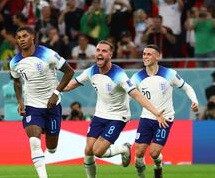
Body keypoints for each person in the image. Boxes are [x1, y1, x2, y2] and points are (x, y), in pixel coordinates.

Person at [63, 40, 167, 178]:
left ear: (110, 55)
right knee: (88, 150)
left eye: (104, 51)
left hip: (118, 117)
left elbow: (135, 94)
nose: (100, 53)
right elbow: (71, 84)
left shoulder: (119, 75)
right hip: (100, 114)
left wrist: (156, 112)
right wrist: (54, 90)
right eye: (98, 50)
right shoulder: (91, 71)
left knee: (98, 151)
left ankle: (124, 149)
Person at [10, 26, 74, 178]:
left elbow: (69, 71)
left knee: (51, 148)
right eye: (19, 37)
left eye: (25, 36)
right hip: (32, 106)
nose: (22, 39)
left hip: (53, 106)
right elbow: (16, 81)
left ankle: (45, 129)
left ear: (33, 37)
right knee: (34, 140)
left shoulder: (48, 54)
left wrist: (56, 93)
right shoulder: (15, 62)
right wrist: (20, 102)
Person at [131, 44, 199, 178]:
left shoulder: (169, 73)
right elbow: (128, 96)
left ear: (157, 56)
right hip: (146, 118)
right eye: (144, 54)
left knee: (154, 153)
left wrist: (194, 101)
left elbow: (187, 87)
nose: (145, 57)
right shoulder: (137, 77)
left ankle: (158, 165)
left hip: (165, 119)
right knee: (139, 153)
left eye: (149, 54)